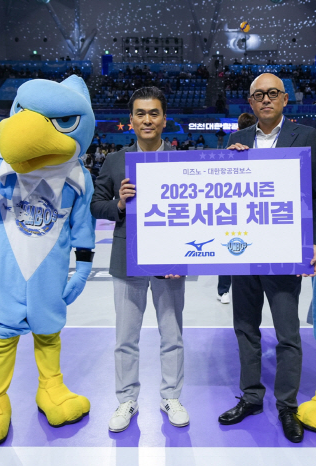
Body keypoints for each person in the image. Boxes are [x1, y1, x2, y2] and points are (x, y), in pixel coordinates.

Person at [217, 73, 316, 443]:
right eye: (259, 95)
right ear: (250, 102)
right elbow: (224, 194)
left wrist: (313, 242)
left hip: (284, 251)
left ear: (284, 99)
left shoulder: (307, 137)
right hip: (244, 251)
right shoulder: (235, 139)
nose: (266, 99)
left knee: (287, 334)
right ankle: (251, 397)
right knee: (245, 329)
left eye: (272, 93)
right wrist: (227, 163)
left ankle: (286, 406)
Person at [90, 87, 189, 433]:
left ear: (164, 119)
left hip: (170, 261)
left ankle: (171, 396)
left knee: (172, 335)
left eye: (154, 113)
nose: (148, 120)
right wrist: (118, 203)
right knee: (126, 338)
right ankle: (126, 399)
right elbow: (96, 205)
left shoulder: (183, 160)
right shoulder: (115, 161)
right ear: (131, 120)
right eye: (141, 114)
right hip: (127, 259)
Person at [216, 112, 258, 305]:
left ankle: (224, 290)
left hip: (244, 204)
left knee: (231, 250)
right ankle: (225, 290)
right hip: (240, 205)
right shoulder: (234, 142)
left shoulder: (258, 145)